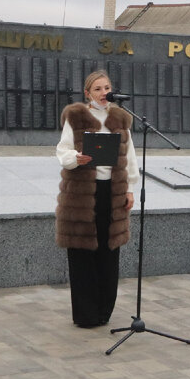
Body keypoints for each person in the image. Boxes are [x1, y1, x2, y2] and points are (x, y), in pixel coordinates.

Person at [54, 69, 139, 328]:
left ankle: (104, 311)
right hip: (81, 194)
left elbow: (131, 157)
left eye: (107, 88)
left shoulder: (121, 118)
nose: (104, 93)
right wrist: (74, 159)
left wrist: (130, 188)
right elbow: (62, 150)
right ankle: (85, 315)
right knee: (82, 255)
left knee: (108, 253)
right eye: (98, 89)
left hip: (111, 193)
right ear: (87, 93)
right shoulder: (76, 116)